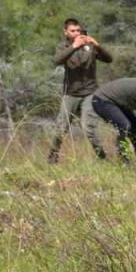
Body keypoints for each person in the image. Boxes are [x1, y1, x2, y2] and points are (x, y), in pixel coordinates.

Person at [50, 18, 112, 163]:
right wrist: (74, 47)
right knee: (61, 128)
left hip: (90, 93)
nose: (77, 33)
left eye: (78, 30)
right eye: (73, 31)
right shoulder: (63, 46)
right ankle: (52, 158)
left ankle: (103, 158)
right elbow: (57, 61)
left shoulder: (89, 46)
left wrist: (97, 45)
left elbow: (109, 59)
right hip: (70, 93)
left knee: (88, 128)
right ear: (66, 32)